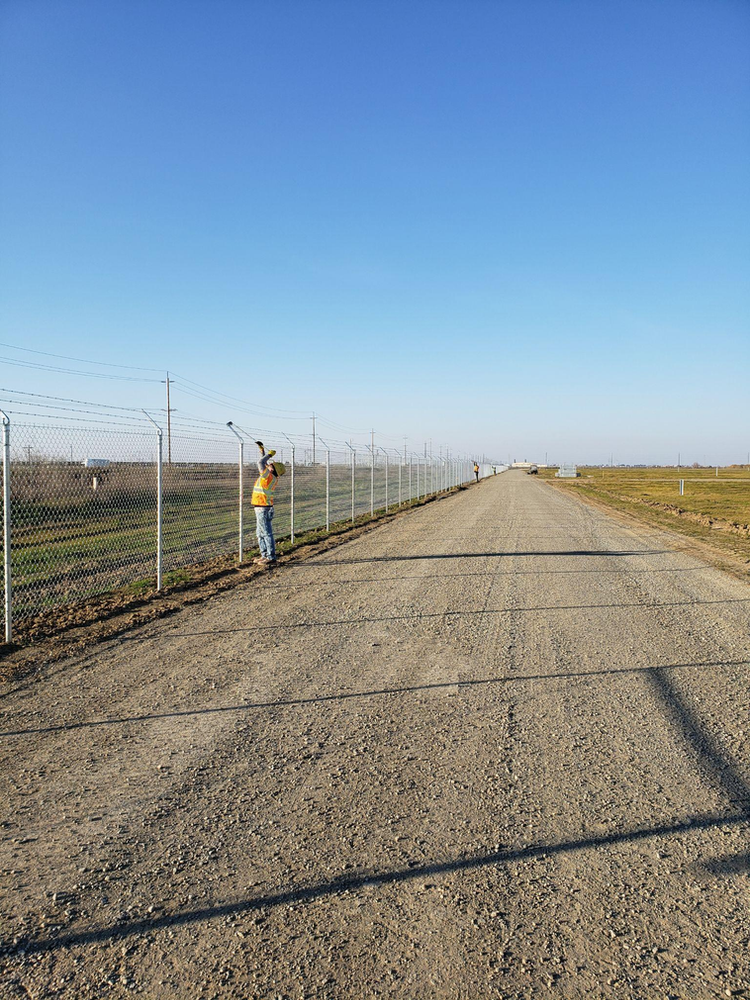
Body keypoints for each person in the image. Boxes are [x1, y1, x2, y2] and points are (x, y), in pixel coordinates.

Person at [251, 441, 286, 567]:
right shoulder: (271, 476)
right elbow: (263, 462)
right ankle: (264, 555)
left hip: (263, 509)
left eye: (271, 465)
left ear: (273, 469)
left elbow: (260, 463)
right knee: (260, 534)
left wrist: (270, 455)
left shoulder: (268, 477)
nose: (269, 464)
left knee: (265, 533)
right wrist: (262, 452)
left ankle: (270, 557)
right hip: (262, 508)